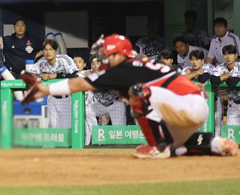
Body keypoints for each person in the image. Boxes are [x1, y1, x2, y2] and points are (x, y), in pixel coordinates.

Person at [20, 34, 239, 158]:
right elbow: (171, 77)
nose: (105, 57)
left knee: (137, 93)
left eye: (108, 53)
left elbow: (79, 83)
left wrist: (45, 89)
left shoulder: (124, 66)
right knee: (177, 147)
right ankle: (216, 143)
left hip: (184, 104)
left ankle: (157, 147)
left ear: (118, 54)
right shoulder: (141, 62)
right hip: (189, 104)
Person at [28, 39, 79, 128]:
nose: (48, 52)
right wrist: (40, 75)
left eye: (51, 49)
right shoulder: (41, 62)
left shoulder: (64, 59)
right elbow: (29, 75)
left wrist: (57, 75)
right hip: (52, 99)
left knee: (67, 129)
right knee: (55, 130)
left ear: (56, 51)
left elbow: (76, 75)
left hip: (67, 99)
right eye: (46, 50)